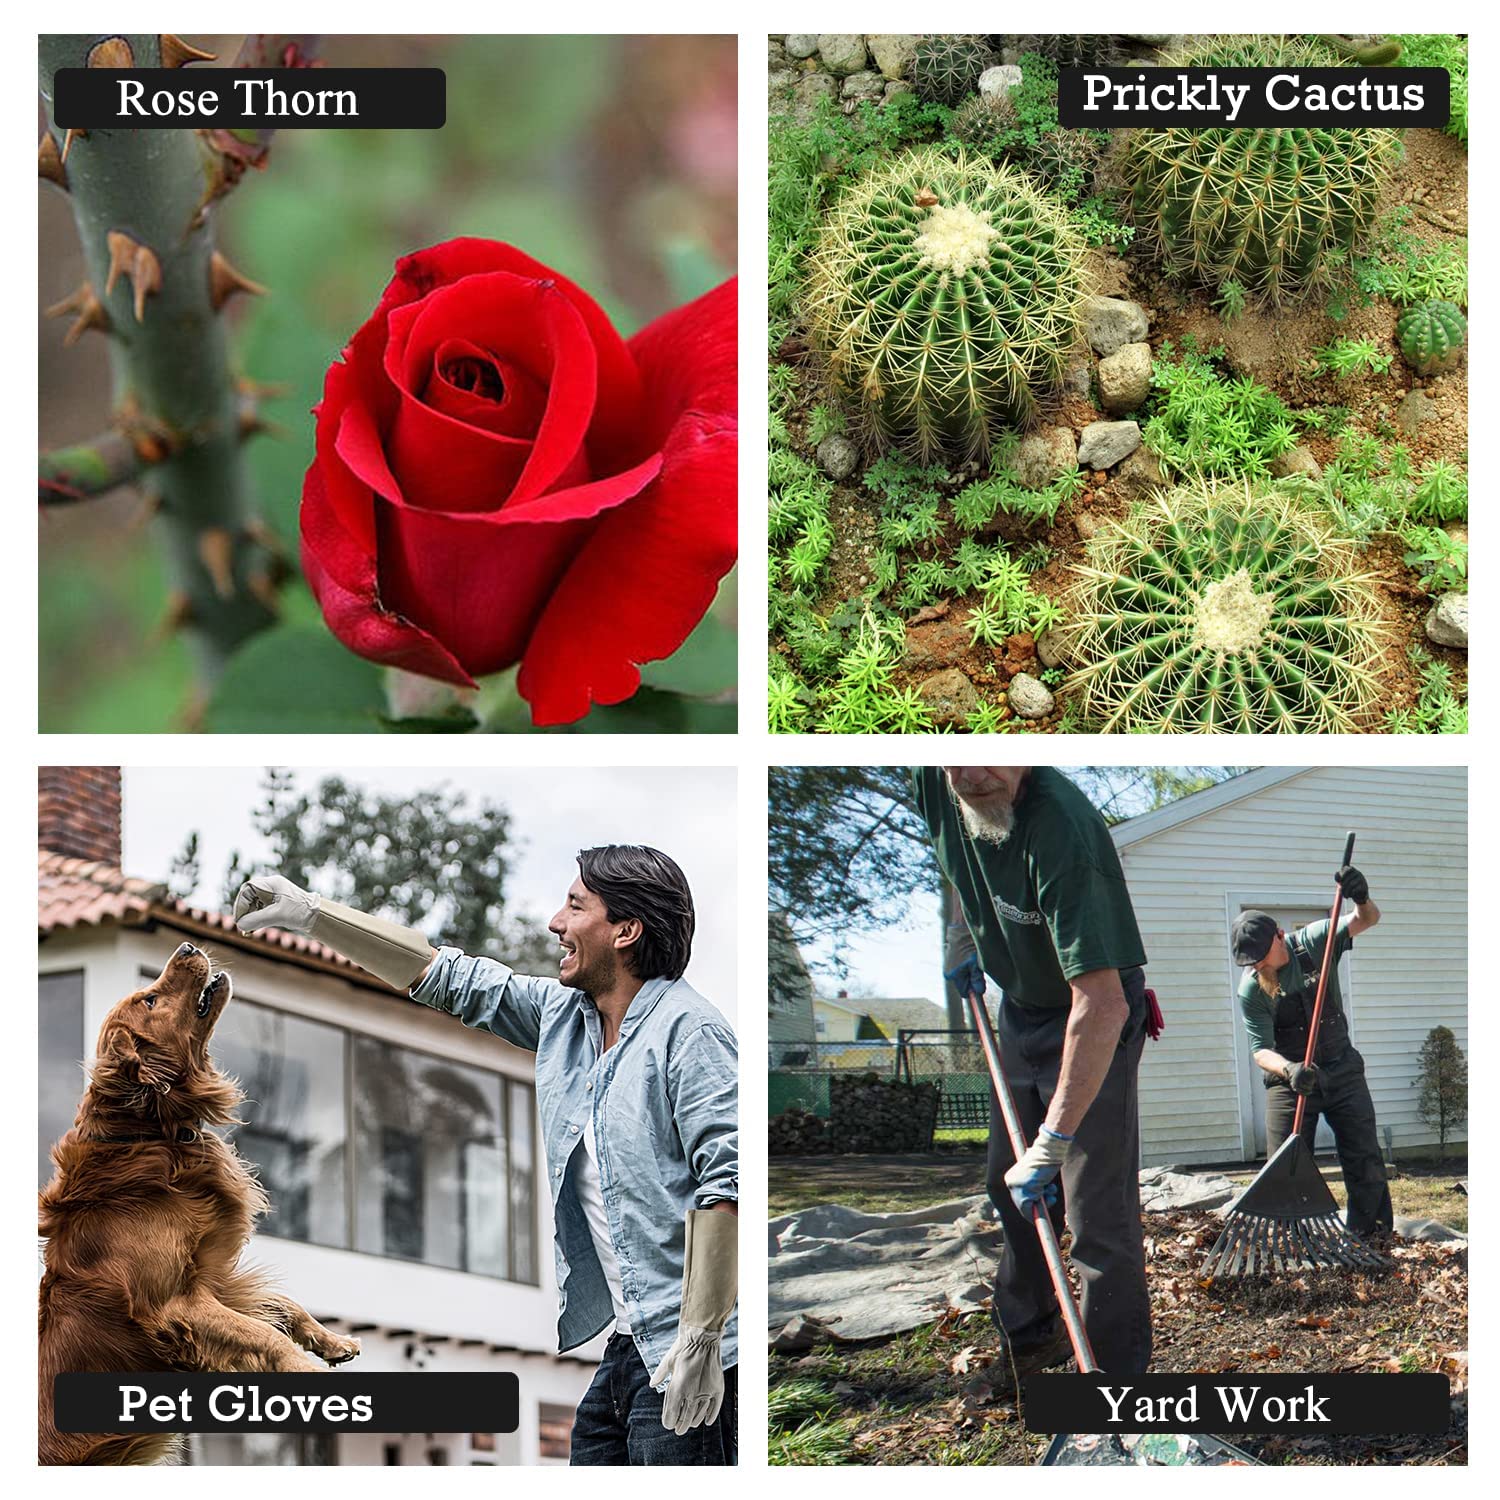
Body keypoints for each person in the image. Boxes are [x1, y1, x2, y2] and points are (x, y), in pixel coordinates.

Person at [234, 844, 738, 1466]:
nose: (555, 921)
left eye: (575, 906)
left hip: (702, 1355)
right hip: (630, 1348)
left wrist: (703, 1338)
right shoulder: (565, 1018)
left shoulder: (692, 1035)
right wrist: (312, 913)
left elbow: (729, 1185)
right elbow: (443, 975)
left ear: (627, 931)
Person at [912, 766, 1152, 1380]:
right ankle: (1031, 1337)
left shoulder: (1063, 831)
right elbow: (959, 863)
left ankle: (1115, 1389)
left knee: (1095, 1214)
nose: (971, 775)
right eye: (954, 761)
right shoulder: (938, 780)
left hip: (1094, 1010)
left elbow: (1102, 1005)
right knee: (1005, 1186)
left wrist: (1053, 1141)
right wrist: (960, 939)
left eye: (995, 756)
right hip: (1020, 1005)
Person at [1231, 861, 1393, 1241]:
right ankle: (1293, 1241)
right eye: (1249, 960)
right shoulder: (1253, 988)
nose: (1256, 965)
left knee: (1364, 1157)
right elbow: (1260, 1050)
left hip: (1341, 1067)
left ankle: (1371, 1235)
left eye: (1260, 955)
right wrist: (1289, 1070)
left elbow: (1366, 919)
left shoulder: (1315, 941)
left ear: (1279, 936)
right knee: (1283, 1163)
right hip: (1291, 1080)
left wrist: (1361, 896)